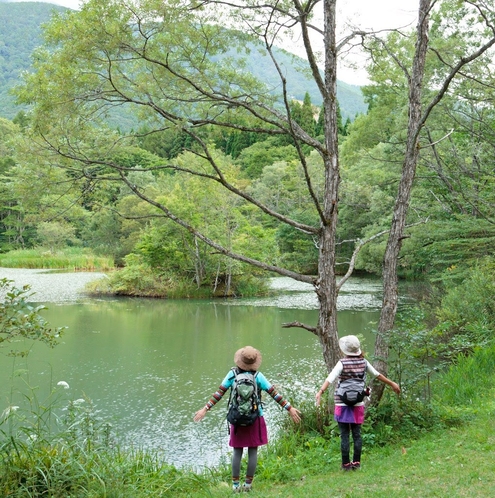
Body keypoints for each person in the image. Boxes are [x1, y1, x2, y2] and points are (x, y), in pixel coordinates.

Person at [194, 345, 301, 492]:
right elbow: (274, 393)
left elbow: (219, 393)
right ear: (254, 362)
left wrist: (205, 409)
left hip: (237, 419)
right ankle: (248, 485)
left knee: (237, 452)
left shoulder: (232, 374)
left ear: (240, 360)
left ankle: (235, 486)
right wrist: (289, 408)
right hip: (255, 418)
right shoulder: (258, 376)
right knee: (253, 451)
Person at [316, 335, 400, 471]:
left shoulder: (342, 363)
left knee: (344, 435)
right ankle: (356, 463)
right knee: (357, 434)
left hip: (341, 403)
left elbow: (330, 378)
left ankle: (345, 465)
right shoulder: (364, 362)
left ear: (345, 350)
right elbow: (377, 375)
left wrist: (320, 391)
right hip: (358, 403)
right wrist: (392, 384)